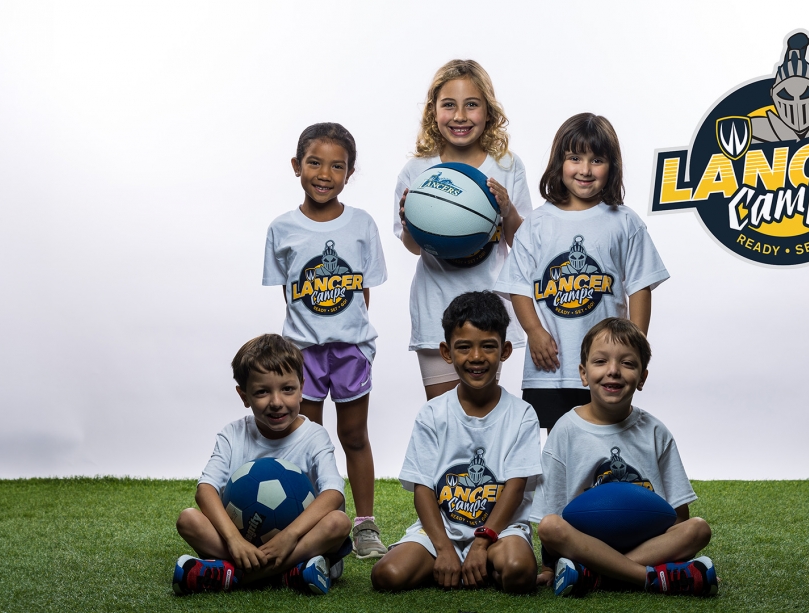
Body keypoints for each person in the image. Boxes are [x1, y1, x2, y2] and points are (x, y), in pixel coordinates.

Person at [495, 113, 669, 431]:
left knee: (604, 440)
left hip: (607, 366)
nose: (585, 170)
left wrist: (637, 346)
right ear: (559, 162)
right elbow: (518, 286)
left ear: (611, 167)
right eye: (575, 158)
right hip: (549, 368)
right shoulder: (536, 224)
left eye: (597, 160)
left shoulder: (624, 222)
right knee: (550, 450)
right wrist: (534, 331)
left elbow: (640, 287)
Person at [262, 123, 389, 558]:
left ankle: (364, 523)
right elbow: (289, 291)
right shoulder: (282, 228)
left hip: (350, 350)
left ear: (350, 174)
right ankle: (312, 526)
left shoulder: (361, 224)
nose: (324, 173)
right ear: (297, 166)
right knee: (309, 440)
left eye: (337, 166)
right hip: (302, 354)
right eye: (315, 162)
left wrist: (352, 338)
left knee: (354, 436)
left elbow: (363, 291)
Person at [532, 318, 718, 597]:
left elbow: (679, 516)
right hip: (585, 542)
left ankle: (595, 576)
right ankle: (650, 577)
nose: (613, 371)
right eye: (600, 362)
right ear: (583, 373)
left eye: (628, 364)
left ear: (642, 377)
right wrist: (547, 567)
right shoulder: (566, 430)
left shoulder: (656, 432)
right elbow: (552, 510)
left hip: (644, 543)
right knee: (549, 527)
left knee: (699, 529)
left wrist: (674, 543)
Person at [370, 292, 541, 593]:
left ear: (505, 350)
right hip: (443, 529)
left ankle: (479, 563)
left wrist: (482, 542)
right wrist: (444, 548)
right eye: (464, 347)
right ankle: (455, 564)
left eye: (488, 346)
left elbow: (515, 488)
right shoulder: (433, 413)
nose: (476, 357)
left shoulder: (522, 414)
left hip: (500, 531)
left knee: (518, 571)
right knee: (388, 575)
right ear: (447, 353)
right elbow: (423, 487)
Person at [394, 59, 534, 401]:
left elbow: (522, 242)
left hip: (489, 306)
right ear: (433, 112)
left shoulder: (507, 165)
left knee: (480, 408)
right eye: (449, 105)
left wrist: (507, 209)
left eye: (472, 105)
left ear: (488, 111)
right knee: (443, 414)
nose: (460, 116)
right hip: (435, 305)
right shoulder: (417, 171)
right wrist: (411, 224)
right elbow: (413, 246)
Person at [172, 334, 352, 596]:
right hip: (243, 544)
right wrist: (234, 541)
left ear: (302, 387)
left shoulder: (314, 436)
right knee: (188, 519)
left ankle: (232, 576)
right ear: (243, 395)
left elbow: (333, 493)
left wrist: (288, 536)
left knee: (338, 522)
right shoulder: (233, 434)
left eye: (287, 389)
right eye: (262, 392)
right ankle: (291, 574)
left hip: (299, 542)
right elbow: (205, 489)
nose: (276, 402)